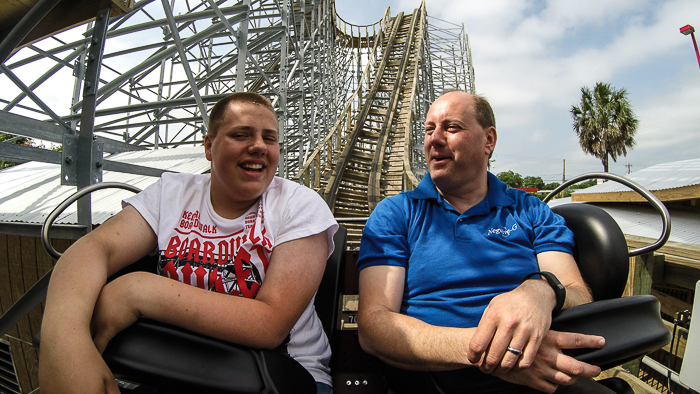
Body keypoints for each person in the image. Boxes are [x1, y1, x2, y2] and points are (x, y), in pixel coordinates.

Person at [39, 92, 338, 394]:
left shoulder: (299, 205)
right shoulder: (173, 193)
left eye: (270, 139)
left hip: (275, 373)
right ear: (209, 146)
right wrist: (65, 340)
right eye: (241, 134)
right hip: (177, 362)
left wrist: (136, 292)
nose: (259, 146)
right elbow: (94, 248)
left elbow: (270, 324)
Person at [356, 91, 614, 393]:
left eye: (451, 128)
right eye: (428, 129)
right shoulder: (397, 213)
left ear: (488, 140)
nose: (434, 139)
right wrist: (495, 354)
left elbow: (578, 294)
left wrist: (542, 290)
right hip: (438, 378)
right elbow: (374, 326)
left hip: (538, 369)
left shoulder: (530, 210)